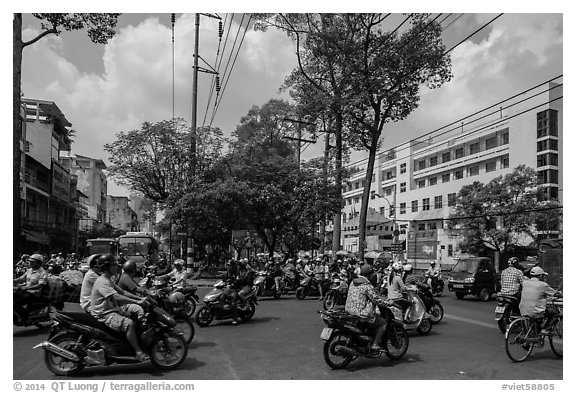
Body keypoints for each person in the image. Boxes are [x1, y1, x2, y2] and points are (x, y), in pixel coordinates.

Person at [90, 254, 149, 362]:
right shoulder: (103, 282)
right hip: (104, 314)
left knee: (136, 313)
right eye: (114, 265)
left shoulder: (108, 279)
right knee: (129, 324)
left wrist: (139, 299)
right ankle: (138, 352)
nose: (116, 267)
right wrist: (137, 301)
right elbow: (116, 296)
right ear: (107, 267)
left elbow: (122, 292)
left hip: (113, 309)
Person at [345, 264, 391, 352]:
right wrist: (387, 304)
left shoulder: (353, 282)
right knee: (383, 324)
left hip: (349, 311)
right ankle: (374, 344)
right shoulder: (367, 286)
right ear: (369, 275)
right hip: (361, 313)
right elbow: (376, 300)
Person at [519, 266, 561, 334]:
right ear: (541, 275)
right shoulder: (543, 285)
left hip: (523, 311)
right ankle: (546, 329)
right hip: (535, 312)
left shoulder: (525, 283)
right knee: (556, 313)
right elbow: (556, 294)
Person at [13, 254, 48, 318]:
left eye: (32, 262)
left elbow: (41, 285)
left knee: (14, 303)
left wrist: (27, 288)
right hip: (25, 291)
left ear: (38, 263)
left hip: (34, 294)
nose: (30, 263)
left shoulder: (43, 273)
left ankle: (25, 317)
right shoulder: (29, 270)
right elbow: (21, 279)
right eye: (30, 261)